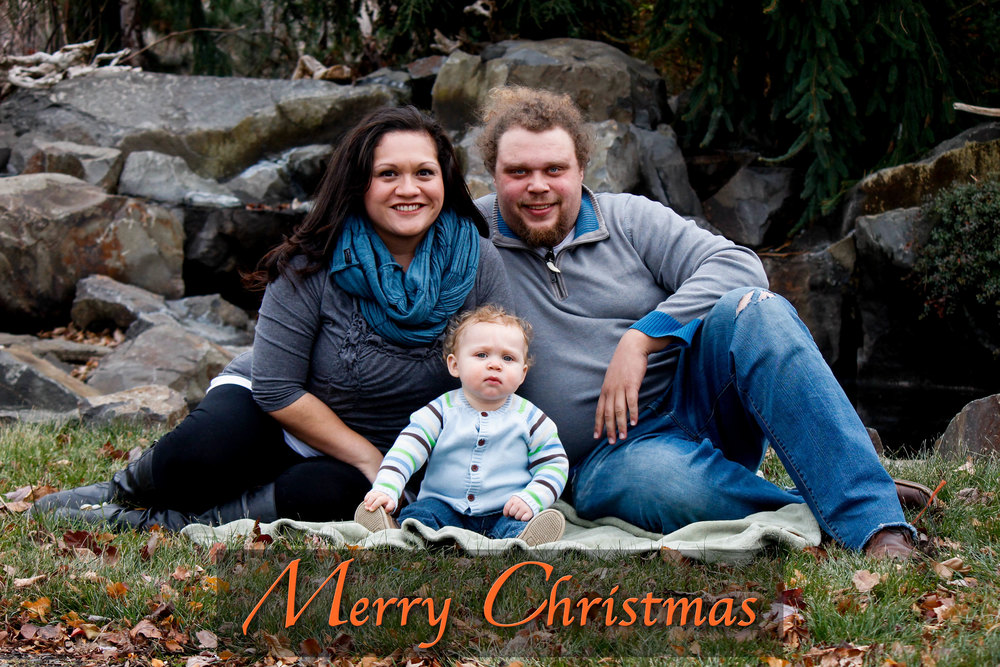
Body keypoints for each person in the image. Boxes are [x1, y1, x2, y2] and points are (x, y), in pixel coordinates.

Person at [471, 86, 927, 559]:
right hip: (606, 458)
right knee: (659, 484)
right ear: (493, 174)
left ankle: (877, 525)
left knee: (756, 309)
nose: (537, 185)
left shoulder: (628, 219)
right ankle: (831, 500)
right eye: (518, 172)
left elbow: (739, 266)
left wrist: (643, 336)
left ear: (581, 171)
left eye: (554, 169)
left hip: (702, 402)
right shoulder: (471, 238)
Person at [29, 105, 513, 530]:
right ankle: (121, 492)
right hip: (278, 410)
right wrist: (368, 458)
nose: (408, 189)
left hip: (395, 446)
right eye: (388, 174)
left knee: (325, 497)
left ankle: (168, 523)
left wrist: (405, 465)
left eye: (424, 173)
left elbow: (500, 368)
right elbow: (276, 388)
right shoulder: (314, 258)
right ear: (359, 182)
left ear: (444, 181)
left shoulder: (478, 263)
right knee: (197, 457)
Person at [355, 304, 568, 546]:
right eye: (481, 355)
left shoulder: (531, 418)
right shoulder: (441, 410)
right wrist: (387, 488)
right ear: (454, 365)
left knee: (518, 522)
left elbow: (554, 465)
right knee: (421, 514)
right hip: (444, 505)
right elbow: (407, 449)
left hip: (504, 509)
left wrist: (532, 499)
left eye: (508, 358)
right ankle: (397, 532)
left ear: (522, 373)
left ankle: (521, 539)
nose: (495, 364)